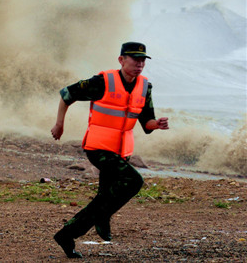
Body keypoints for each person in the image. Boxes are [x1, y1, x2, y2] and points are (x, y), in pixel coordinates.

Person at [51, 42, 169, 258]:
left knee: (105, 196)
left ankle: (83, 229)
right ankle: (73, 230)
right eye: (135, 59)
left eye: (143, 60)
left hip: (122, 150)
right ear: (121, 60)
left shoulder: (145, 87)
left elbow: (146, 121)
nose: (140, 64)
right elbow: (67, 94)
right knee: (133, 181)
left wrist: (157, 124)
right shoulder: (103, 82)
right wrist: (60, 124)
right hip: (99, 147)